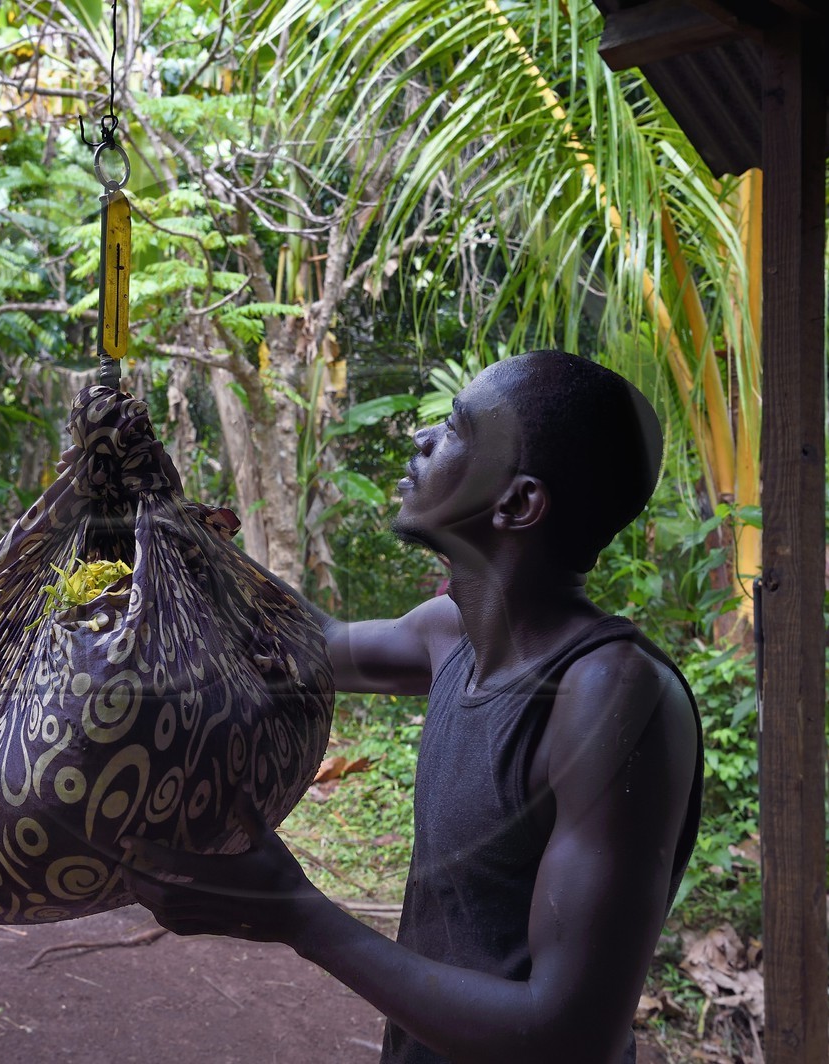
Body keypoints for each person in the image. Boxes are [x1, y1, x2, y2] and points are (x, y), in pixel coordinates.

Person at [121, 350, 703, 1064]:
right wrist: (164, 523)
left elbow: (568, 1033)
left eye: (458, 429)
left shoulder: (610, 697)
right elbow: (305, 644)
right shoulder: (448, 634)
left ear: (517, 503)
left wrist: (298, 915)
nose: (422, 439)